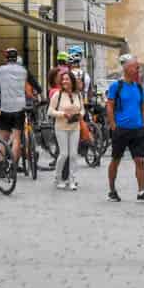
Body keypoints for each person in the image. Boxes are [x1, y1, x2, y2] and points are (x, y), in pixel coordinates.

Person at [102, 58, 144, 204]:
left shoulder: (138, 87)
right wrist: (113, 125)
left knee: (140, 160)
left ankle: (141, 192)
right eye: (136, 68)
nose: (138, 71)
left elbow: (143, 107)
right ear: (127, 69)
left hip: (137, 129)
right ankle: (112, 191)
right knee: (116, 160)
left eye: (138, 68)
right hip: (121, 129)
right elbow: (109, 106)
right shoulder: (116, 86)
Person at [48, 53, 86, 191]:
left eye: (67, 79)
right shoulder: (57, 95)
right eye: (63, 80)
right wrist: (62, 114)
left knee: (73, 154)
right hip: (61, 127)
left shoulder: (78, 95)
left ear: (72, 81)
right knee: (64, 154)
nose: (64, 82)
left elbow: (82, 110)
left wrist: (79, 115)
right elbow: (50, 111)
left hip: (75, 127)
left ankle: (72, 180)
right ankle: (58, 178)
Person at [0, 47, 31, 165]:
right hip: (20, 108)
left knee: (2, 137)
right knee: (16, 138)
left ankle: (0, 163)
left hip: (5, 107)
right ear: (16, 58)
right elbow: (29, 84)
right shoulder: (23, 70)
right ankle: (14, 166)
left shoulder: (0, 70)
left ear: (6, 57)